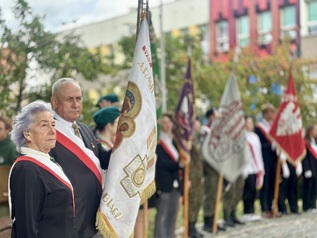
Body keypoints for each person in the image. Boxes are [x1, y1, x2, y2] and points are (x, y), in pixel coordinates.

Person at [49, 78, 111, 238]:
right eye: (69, 99)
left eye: (79, 98)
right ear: (54, 101)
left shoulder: (84, 128)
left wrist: (125, 144)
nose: (76, 104)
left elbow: (103, 159)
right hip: (70, 220)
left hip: (95, 215)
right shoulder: (47, 132)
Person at [9, 100, 77, 238]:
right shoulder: (27, 169)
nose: (52, 131)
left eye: (53, 124)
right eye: (44, 125)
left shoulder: (45, 161)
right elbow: (26, 228)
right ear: (27, 134)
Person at [154, 112, 184, 238]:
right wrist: (178, 165)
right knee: (162, 214)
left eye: (168, 122)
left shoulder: (176, 142)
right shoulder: (158, 143)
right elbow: (160, 162)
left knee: (173, 213)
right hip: (163, 183)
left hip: (176, 183)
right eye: (164, 123)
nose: (166, 125)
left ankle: (170, 235)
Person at [201, 109, 226, 233]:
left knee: (218, 195)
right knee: (210, 195)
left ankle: (214, 219)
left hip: (218, 168)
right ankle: (208, 221)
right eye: (215, 116)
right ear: (210, 117)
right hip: (210, 168)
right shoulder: (205, 130)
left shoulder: (220, 131)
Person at [255, 103, 277, 218]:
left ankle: (271, 205)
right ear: (265, 113)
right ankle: (264, 208)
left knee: (273, 183)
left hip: (274, 159)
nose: (272, 115)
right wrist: (271, 146)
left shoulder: (273, 127)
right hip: (264, 158)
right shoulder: (259, 128)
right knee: (266, 184)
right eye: (270, 112)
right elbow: (258, 144)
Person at [242, 116, 264, 222]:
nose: (250, 125)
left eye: (251, 122)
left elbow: (258, 153)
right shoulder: (242, 136)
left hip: (255, 167)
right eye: (248, 122)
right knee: (248, 190)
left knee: (254, 190)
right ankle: (247, 212)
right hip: (247, 167)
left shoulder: (255, 137)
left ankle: (252, 211)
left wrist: (261, 166)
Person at [188, 117, 204, 238]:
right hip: (191, 175)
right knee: (192, 200)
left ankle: (194, 223)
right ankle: (189, 225)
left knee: (198, 200)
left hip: (199, 175)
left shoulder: (198, 138)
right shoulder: (188, 139)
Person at [302, 124, 317, 212]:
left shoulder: (314, 142)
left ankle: (313, 205)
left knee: (314, 187)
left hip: (315, 167)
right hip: (309, 168)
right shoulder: (305, 142)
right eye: (315, 130)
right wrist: (306, 169)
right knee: (308, 187)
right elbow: (305, 157)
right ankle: (307, 206)